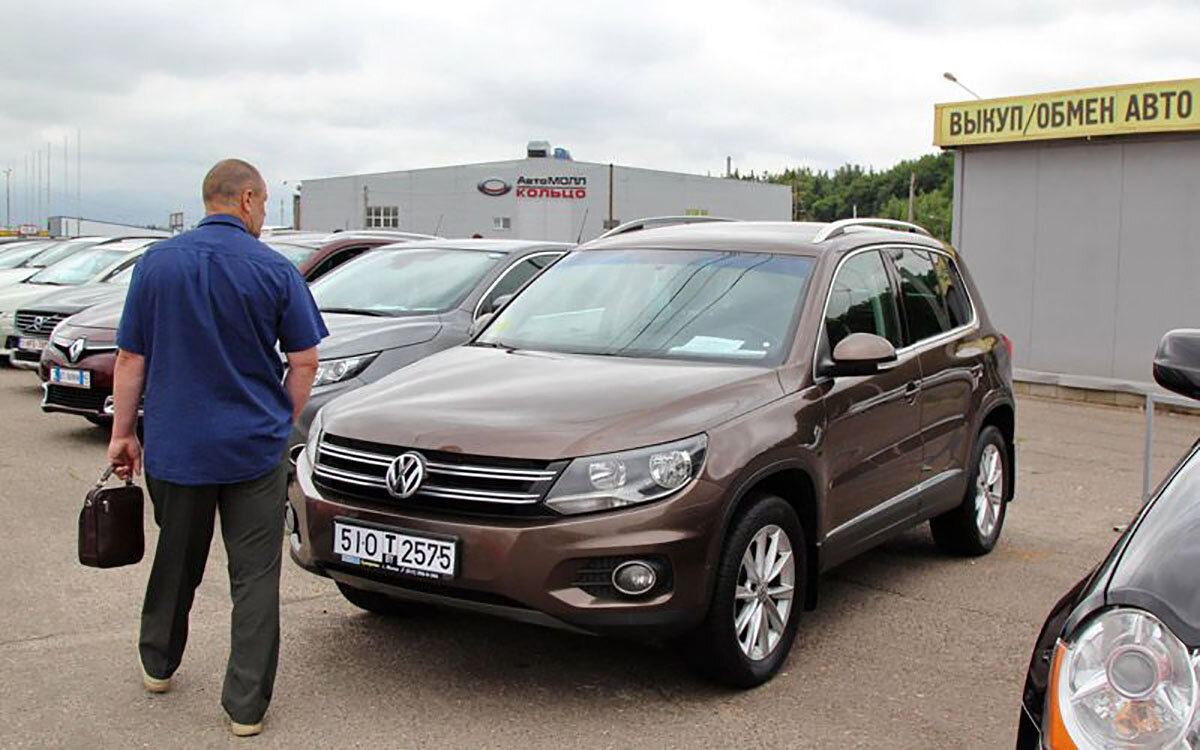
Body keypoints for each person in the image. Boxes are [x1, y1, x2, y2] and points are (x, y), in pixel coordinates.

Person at [107, 158, 327, 738]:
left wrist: (122, 435)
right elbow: (305, 360)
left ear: (209, 200)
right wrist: (280, 418)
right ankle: (245, 708)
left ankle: (158, 663)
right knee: (254, 575)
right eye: (264, 203)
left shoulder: (156, 265)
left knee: (177, 557)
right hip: (252, 449)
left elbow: (131, 358)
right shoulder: (275, 271)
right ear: (249, 199)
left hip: (178, 446)